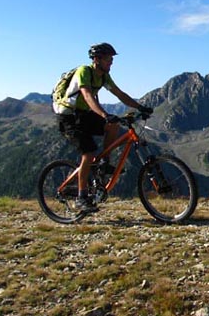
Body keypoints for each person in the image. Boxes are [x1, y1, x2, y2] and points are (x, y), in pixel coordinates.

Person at [54, 42, 153, 212]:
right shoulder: (84, 72)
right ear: (97, 59)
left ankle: (104, 163)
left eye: (112, 59)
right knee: (88, 152)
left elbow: (119, 94)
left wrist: (139, 107)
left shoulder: (104, 76)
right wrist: (104, 115)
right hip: (68, 115)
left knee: (112, 126)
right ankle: (81, 197)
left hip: (83, 114)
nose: (111, 62)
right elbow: (86, 95)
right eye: (108, 59)